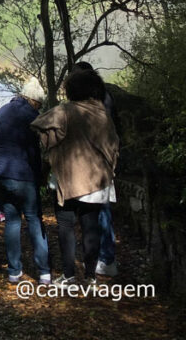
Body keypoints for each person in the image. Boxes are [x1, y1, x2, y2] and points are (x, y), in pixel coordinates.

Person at [31, 69, 119, 288]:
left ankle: (68, 276)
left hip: (66, 180)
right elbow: (113, 147)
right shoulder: (102, 115)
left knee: (65, 227)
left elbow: (39, 124)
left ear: (71, 90)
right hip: (96, 181)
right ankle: (90, 277)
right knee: (91, 229)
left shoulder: (64, 111)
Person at [0, 77, 51, 284]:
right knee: (33, 218)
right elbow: (35, 150)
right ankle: (44, 272)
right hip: (21, 174)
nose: (39, 107)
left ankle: (14, 271)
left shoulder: (4, 110)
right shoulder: (32, 116)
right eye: (39, 104)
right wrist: (40, 174)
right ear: (34, 100)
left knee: (12, 221)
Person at [73, 61, 119, 277]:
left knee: (98, 212)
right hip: (104, 163)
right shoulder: (105, 96)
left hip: (93, 165)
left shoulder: (95, 101)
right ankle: (105, 258)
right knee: (102, 211)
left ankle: (104, 258)